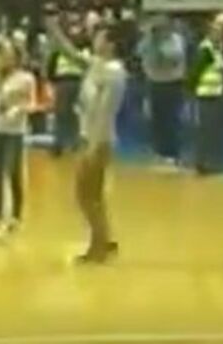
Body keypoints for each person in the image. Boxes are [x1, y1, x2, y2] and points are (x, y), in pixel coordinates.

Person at [48, 14, 127, 264]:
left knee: (86, 195)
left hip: (98, 139)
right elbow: (71, 54)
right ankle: (104, 240)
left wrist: (93, 145)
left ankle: (99, 246)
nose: (94, 39)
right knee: (92, 196)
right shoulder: (98, 65)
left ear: (111, 44)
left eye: (100, 36)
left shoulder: (113, 73)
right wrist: (54, 29)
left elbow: (105, 112)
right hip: (89, 136)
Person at [0, 35, 36, 235]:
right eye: (2, 54)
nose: (4, 57)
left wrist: (18, 109)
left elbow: (32, 103)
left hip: (14, 131)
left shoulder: (26, 78)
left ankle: (15, 216)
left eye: (8, 54)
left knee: (13, 172)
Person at [137, 17, 187, 166]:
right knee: (156, 119)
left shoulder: (176, 40)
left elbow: (171, 59)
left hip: (172, 83)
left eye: (162, 28)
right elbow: (139, 53)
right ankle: (158, 151)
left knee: (171, 119)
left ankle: (173, 153)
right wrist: (149, 39)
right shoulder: (148, 41)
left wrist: (157, 47)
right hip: (154, 82)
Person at [47, 15, 89, 157]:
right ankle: (60, 143)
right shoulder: (59, 52)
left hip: (76, 81)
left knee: (71, 114)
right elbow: (51, 65)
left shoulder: (83, 51)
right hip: (62, 81)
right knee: (61, 113)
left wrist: (56, 31)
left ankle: (72, 142)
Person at [191, 15, 223, 176]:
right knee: (205, 130)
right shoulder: (206, 49)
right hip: (206, 94)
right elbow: (196, 72)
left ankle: (210, 162)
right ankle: (202, 163)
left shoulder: (216, 49)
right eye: (216, 31)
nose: (219, 35)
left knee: (212, 130)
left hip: (215, 93)